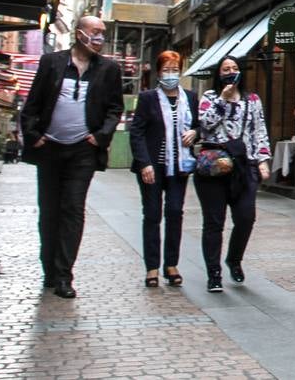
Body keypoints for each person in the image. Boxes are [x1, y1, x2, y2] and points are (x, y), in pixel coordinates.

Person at [19, 15, 125, 298]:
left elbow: (115, 109)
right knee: (49, 210)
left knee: (73, 209)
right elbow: (32, 104)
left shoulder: (109, 69)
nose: (100, 37)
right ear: (80, 34)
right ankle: (49, 272)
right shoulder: (51, 62)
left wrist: (100, 136)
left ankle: (65, 275)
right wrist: (34, 135)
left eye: (103, 32)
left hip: (83, 151)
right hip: (50, 148)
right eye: (95, 31)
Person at [196, 56, 271, 293]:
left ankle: (234, 258)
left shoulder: (252, 99)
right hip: (214, 166)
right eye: (226, 69)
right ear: (218, 74)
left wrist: (263, 160)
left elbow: (260, 130)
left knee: (246, 218)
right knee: (214, 223)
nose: (231, 72)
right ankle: (213, 274)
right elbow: (205, 125)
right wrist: (223, 100)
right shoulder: (209, 98)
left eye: (235, 68)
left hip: (243, 166)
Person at [129, 51, 199, 288]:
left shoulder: (190, 98)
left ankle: (171, 264)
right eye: (166, 70)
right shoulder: (148, 98)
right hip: (153, 167)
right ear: (159, 72)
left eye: (175, 69)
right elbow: (136, 132)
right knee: (152, 215)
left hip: (179, 166)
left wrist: (195, 132)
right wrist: (144, 163)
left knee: (175, 213)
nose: (171, 74)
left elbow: (198, 124)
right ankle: (151, 268)